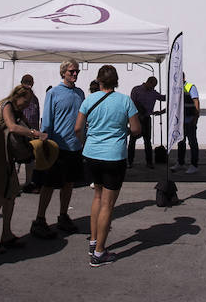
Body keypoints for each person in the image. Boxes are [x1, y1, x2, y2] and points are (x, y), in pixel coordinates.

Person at [74, 65, 142, 267]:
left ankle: (93, 240)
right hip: (114, 156)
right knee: (108, 204)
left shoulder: (89, 99)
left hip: (92, 154)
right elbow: (136, 129)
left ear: (99, 80)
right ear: (117, 81)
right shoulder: (125, 101)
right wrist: (124, 131)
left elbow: (78, 128)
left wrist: (85, 143)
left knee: (97, 196)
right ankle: (99, 252)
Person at [0, 84, 47, 253]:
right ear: (18, 96)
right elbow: (12, 127)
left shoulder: (11, 106)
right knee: (0, 198)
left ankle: (6, 234)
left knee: (9, 197)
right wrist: (35, 133)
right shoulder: (7, 105)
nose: (27, 105)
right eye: (26, 102)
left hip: (6, 157)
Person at [31, 58, 85, 239]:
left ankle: (63, 216)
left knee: (68, 183)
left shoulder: (80, 93)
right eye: (71, 71)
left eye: (77, 71)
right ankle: (40, 219)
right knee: (49, 184)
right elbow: (47, 121)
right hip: (57, 147)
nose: (75, 74)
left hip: (74, 146)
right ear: (63, 73)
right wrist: (46, 142)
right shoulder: (53, 93)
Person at [128, 76, 165, 168]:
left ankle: (149, 162)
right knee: (132, 141)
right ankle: (130, 161)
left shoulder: (153, 92)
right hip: (136, 118)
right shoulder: (136, 90)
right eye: (153, 86)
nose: (153, 88)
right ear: (148, 82)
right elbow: (132, 103)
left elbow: (163, 98)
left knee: (148, 142)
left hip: (147, 119)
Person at [171, 73, 200, 174]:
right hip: (180, 121)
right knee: (181, 142)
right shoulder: (176, 88)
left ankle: (194, 165)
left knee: (192, 143)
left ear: (183, 78)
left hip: (190, 120)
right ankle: (180, 162)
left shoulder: (190, 87)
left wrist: (196, 118)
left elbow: (196, 101)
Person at [20, 74, 41, 193]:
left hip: (31, 132)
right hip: (19, 132)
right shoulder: (18, 96)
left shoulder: (34, 98)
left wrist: (36, 131)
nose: (28, 84)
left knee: (30, 159)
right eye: (26, 82)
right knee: (17, 159)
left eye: (30, 82)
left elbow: (36, 115)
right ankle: (14, 183)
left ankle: (28, 183)